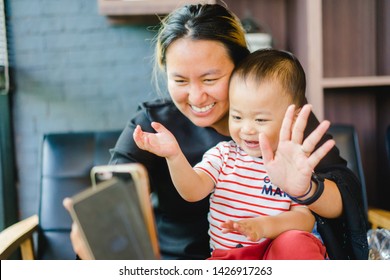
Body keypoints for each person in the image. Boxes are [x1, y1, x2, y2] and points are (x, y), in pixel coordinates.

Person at [63, 3, 368, 260]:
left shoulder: (282, 117)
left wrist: (306, 189)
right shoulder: (153, 125)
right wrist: (93, 222)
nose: (196, 98)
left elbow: (343, 198)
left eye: (210, 79)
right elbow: (115, 191)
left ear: (240, 65)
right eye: (180, 81)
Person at [133, 49, 330, 259]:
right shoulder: (223, 156)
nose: (247, 129)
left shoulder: (294, 162)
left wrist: (264, 226)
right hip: (230, 258)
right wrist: (174, 156)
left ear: (293, 117)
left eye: (260, 120)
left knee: (296, 243)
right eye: (237, 117)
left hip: (277, 253)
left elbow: (305, 219)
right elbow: (192, 190)